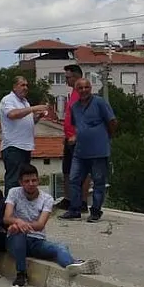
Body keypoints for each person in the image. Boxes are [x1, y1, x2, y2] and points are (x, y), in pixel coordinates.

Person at [4, 163, 100, 287]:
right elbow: (7, 218)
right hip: (16, 240)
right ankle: (21, 274)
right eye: (27, 181)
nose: (31, 183)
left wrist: (18, 223)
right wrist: (18, 223)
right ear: (21, 182)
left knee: (60, 247)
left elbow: (40, 225)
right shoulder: (14, 193)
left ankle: (73, 265)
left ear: (38, 180)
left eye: (34, 180)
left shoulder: (47, 198)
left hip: (37, 241)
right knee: (18, 232)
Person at [59, 78, 117, 222]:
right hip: (80, 151)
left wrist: (106, 137)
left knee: (98, 182)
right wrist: (74, 137)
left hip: (99, 151)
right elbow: (78, 126)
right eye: (80, 88)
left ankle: (96, 211)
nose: (84, 90)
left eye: (86, 87)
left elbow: (112, 121)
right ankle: (75, 209)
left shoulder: (100, 102)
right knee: (73, 179)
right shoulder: (74, 107)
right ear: (76, 90)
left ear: (91, 88)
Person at [0, 75, 49, 193]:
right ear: (15, 87)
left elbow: (28, 121)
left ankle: (19, 207)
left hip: (25, 146)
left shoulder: (25, 102)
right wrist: (34, 108)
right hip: (13, 146)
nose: (25, 88)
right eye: (22, 85)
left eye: (27, 85)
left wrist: (37, 117)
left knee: (23, 180)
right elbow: (12, 114)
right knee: (14, 180)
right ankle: (9, 209)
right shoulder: (8, 99)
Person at [60, 64, 89, 211]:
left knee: (81, 170)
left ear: (77, 76)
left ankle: (82, 202)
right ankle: (68, 199)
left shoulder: (82, 94)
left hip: (78, 139)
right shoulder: (73, 93)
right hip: (69, 138)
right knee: (67, 169)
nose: (66, 80)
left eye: (68, 77)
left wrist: (77, 135)